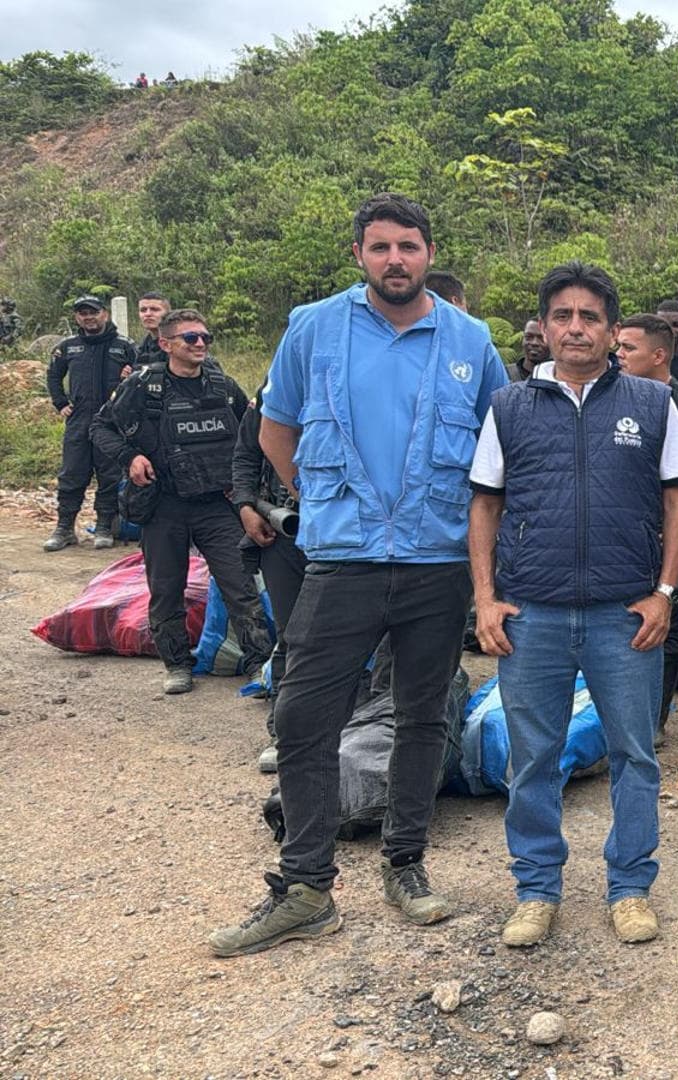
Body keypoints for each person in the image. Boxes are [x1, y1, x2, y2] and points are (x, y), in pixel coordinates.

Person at [208, 192, 507, 957]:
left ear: (428, 253)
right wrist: (323, 502)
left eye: (408, 246)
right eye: (380, 247)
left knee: (422, 714)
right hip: (342, 561)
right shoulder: (314, 328)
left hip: (436, 562)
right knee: (303, 718)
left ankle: (405, 863)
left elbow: (495, 457)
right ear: (359, 256)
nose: (395, 260)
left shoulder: (471, 339)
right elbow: (278, 431)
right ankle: (306, 886)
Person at [467, 262, 678, 947]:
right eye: (562, 316)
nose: (575, 328)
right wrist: (485, 599)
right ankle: (536, 888)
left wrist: (664, 594)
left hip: (624, 614)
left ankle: (629, 886)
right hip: (532, 612)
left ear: (612, 329)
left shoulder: (653, 404)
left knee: (634, 754)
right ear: (544, 326)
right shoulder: (510, 406)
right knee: (532, 756)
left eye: (590, 317)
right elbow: (485, 503)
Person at [92, 308, 268, 695]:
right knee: (166, 587)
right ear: (166, 344)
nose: (201, 343)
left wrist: (250, 495)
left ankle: (258, 662)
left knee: (240, 586)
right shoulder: (144, 386)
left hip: (216, 505)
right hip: (164, 504)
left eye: (205, 337)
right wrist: (131, 458)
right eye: (190, 338)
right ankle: (176, 664)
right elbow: (101, 427)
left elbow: (251, 437)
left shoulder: (222, 386)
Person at [615, 312, 678, 742]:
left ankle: (653, 720)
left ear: (659, 355)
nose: (619, 355)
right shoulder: (617, 396)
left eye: (628, 348)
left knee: (667, 616)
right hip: (629, 528)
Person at [232, 384, 304, 773]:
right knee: (292, 635)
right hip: (284, 533)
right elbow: (245, 454)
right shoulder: (275, 390)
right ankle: (285, 733)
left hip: (349, 536)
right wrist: (246, 505)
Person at [44, 295, 138, 551]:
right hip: (79, 420)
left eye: (93, 312)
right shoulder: (68, 346)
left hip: (112, 423)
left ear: (104, 314)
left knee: (109, 475)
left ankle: (105, 525)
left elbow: (140, 376)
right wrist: (60, 402)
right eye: (82, 313)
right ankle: (64, 528)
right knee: (72, 474)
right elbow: (53, 375)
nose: (88, 317)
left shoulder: (125, 345)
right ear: (77, 317)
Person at [134, 292, 171, 367]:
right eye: (143, 310)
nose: (148, 314)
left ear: (168, 313)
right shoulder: (141, 347)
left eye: (154, 309)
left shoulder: (177, 344)